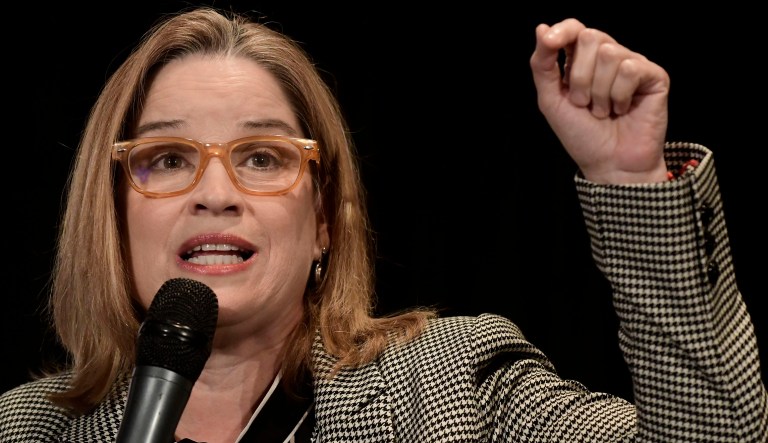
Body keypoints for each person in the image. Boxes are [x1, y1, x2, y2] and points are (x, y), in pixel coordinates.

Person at [0, 5, 765, 442]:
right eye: (167, 158)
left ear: (326, 217)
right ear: (115, 206)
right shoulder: (26, 426)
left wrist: (628, 182)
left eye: (262, 156)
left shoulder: (455, 387)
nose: (215, 193)